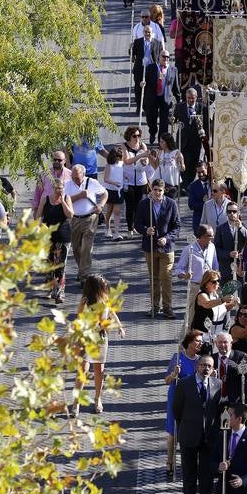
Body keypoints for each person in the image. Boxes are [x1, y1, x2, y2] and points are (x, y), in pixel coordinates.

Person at [173, 354, 222, 494]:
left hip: (209, 437)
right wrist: (184, 428)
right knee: (189, 473)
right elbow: (177, 409)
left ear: (213, 368)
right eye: (203, 365)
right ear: (197, 367)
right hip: (189, 435)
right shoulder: (184, 384)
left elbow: (219, 410)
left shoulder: (218, 385)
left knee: (207, 475)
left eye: (209, 366)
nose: (206, 368)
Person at [70, 274, 125, 416]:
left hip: (101, 338)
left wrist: (120, 327)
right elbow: (79, 319)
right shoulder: (86, 301)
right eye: (102, 285)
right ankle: (76, 402)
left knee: (99, 370)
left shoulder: (105, 299)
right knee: (84, 369)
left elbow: (112, 313)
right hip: (86, 337)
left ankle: (97, 399)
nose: (105, 287)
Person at [135, 179, 181, 319]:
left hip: (166, 249)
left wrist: (167, 238)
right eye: (155, 190)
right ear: (151, 190)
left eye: (160, 190)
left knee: (165, 277)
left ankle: (167, 307)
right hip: (150, 247)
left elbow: (177, 226)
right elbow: (137, 223)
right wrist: (145, 230)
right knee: (154, 278)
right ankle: (154, 307)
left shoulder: (171, 204)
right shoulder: (144, 204)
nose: (157, 193)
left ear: (164, 191)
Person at [164, 329, 204, 476]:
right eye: (197, 341)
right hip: (177, 397)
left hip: (193, 400)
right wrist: (174, 374)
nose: (200, 344)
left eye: (201, 342)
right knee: (173, 431)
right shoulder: (178, 357)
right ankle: (169, 461)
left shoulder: (201, 361)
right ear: (189, 342)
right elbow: (167, 381)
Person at [64, 165, 108, 289]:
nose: (75, 180)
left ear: (83, 175)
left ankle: (84, 276)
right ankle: (82, 269)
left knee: (86, 248)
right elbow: (64, 201)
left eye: (77, 178)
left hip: (90, 218)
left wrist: (101, 205)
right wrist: (80, 195)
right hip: (74, 219)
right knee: (76, 247)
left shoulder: (92, 182)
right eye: (73, 177)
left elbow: (105, 193)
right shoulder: (68, 185)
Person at [36, 177, 73, 303]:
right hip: (48, 237)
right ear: (52, 188)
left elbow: (70, 215)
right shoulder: (45, 199)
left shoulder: (66, 198)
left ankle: (60, 293)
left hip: (63, 236)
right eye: (57, 188)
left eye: (61, 188)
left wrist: (62, 201)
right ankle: (51, 289)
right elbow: (38, 217)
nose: (59, 190)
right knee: (50, 264)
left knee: (60, 265)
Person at [174, 225, 219, 327]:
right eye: (209, 236)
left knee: (211, 314)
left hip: (209, 287)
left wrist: (216, 282)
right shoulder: (189, 249)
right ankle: (185, 340)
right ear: (201, 236)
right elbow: (178, 269)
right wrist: (185, 275)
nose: (212, 238)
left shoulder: (212, 247)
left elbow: (215, 266)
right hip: (195, 287)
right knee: (191, 317)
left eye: (213, 236)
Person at [142, 53, 179, 146]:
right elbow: (144, 81)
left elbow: (175, 87)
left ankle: (161, 141)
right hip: (152, 98)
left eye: (167, 57)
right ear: (159, 57)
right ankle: (152, 131)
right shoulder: (151, 67)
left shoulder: (173, 70)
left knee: (164, 122)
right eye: (163, 56)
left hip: (165, 99)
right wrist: (142, 84)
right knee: (151, 118)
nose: (165, 58)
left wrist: (179, 100)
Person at [174, 87, 207, 187]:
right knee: (185, 161)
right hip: (183, 140)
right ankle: (185, 184)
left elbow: (206, 124)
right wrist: (173, 119)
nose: (190, 100)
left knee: (193, 163)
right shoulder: (180, 106)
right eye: (188, 98)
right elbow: (174, 119)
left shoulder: (202, 108)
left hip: (195, 141)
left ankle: (189, 183)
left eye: (192, 98)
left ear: (196, 97)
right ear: (186, 97)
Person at [191, 269, 237, 340]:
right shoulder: (202, 295)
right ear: (206, 283)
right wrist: (223, 300)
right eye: (213, 282)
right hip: (202, 335)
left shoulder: (217, 295)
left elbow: (223, 309)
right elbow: (208, 304)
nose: (217, 283)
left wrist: (233, 304)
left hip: (217, 333)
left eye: (218, 281)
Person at [212, 331, 247, 407]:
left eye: (225, 342)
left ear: (231, 344)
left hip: (234, 401)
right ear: (216, 344)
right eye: (220, 342)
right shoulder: (212, 358)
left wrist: (238, 368)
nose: (222, 345)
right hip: (215, 400)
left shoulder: (240, 356)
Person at [120, 127, 149, 237]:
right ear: (129, 136)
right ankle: (129, 228)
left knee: (139, 205)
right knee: (130, 205)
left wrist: (144, 161)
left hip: (141, 180)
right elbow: (127, 161)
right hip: (129, 181)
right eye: (134, 136)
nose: (137, 138)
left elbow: (146, 160)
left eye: (138, 136)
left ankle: (137, 226)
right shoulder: (124, 146)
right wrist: (140, 155)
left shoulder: (142, 145)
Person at [214, 202, 247, 284]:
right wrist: (228, 254)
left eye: (234, 211)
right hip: (226, 270)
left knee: (240, 295)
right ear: (226, 213)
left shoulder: (246, 227)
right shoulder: (220, 229)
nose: (232, 214)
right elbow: (216, 249)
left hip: (240, 268)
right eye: (229, 212)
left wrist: (241, 228)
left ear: (239, 212)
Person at [131, 25, 163, 114]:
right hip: (140, 69)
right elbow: (132, 55)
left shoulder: (157, 43)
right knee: (138, 88)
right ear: (143, 32)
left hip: (152, 69)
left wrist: (161, 69)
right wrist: (130, 48)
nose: (147, 34)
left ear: (151, 33)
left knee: (151, 88)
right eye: (145, 32)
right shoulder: (137, 42)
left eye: (149, 32)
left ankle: (149, 107)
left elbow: (160, 56)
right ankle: (139, 107)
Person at [31, 150, 71, 218]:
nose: (56, 162)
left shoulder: (70, 175)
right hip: (46, 209)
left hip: (63, 210)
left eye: (59, 160)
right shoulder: (44, 174)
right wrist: (36, 211)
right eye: (55, 159)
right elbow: (37, 194)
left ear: (64, 161)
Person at [149, 132, 184, 198]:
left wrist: (180, 163)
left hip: (171, 183)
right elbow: (156, 167)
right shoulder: (160, 152)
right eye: (160, 141)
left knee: (170, 201)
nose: (160, 143)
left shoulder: (176, 152)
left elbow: (183, 169)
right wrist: (149, 158)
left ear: (167, 142)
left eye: (162, 142)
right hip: (160, 182)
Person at [102, 147, 125, 240]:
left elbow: (122, 173)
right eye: (118, 156)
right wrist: (114, 182)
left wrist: (125, 178)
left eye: (120, 156)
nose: (119, 158)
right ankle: (107, 228)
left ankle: (116, 233)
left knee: (117, 211)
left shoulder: (122, 164)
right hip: (110, 190)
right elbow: (106, 179)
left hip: (119, 190)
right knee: (109, 210)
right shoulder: (108, 165)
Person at [187, 164, 210, 234]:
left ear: (207, 169)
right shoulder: (193, 186)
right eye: (198, 172)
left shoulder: (214, 183)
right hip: (199, 220)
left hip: (214, 219)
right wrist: (207, 205)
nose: (201, 174)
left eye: (203, 171)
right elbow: (191, 205)